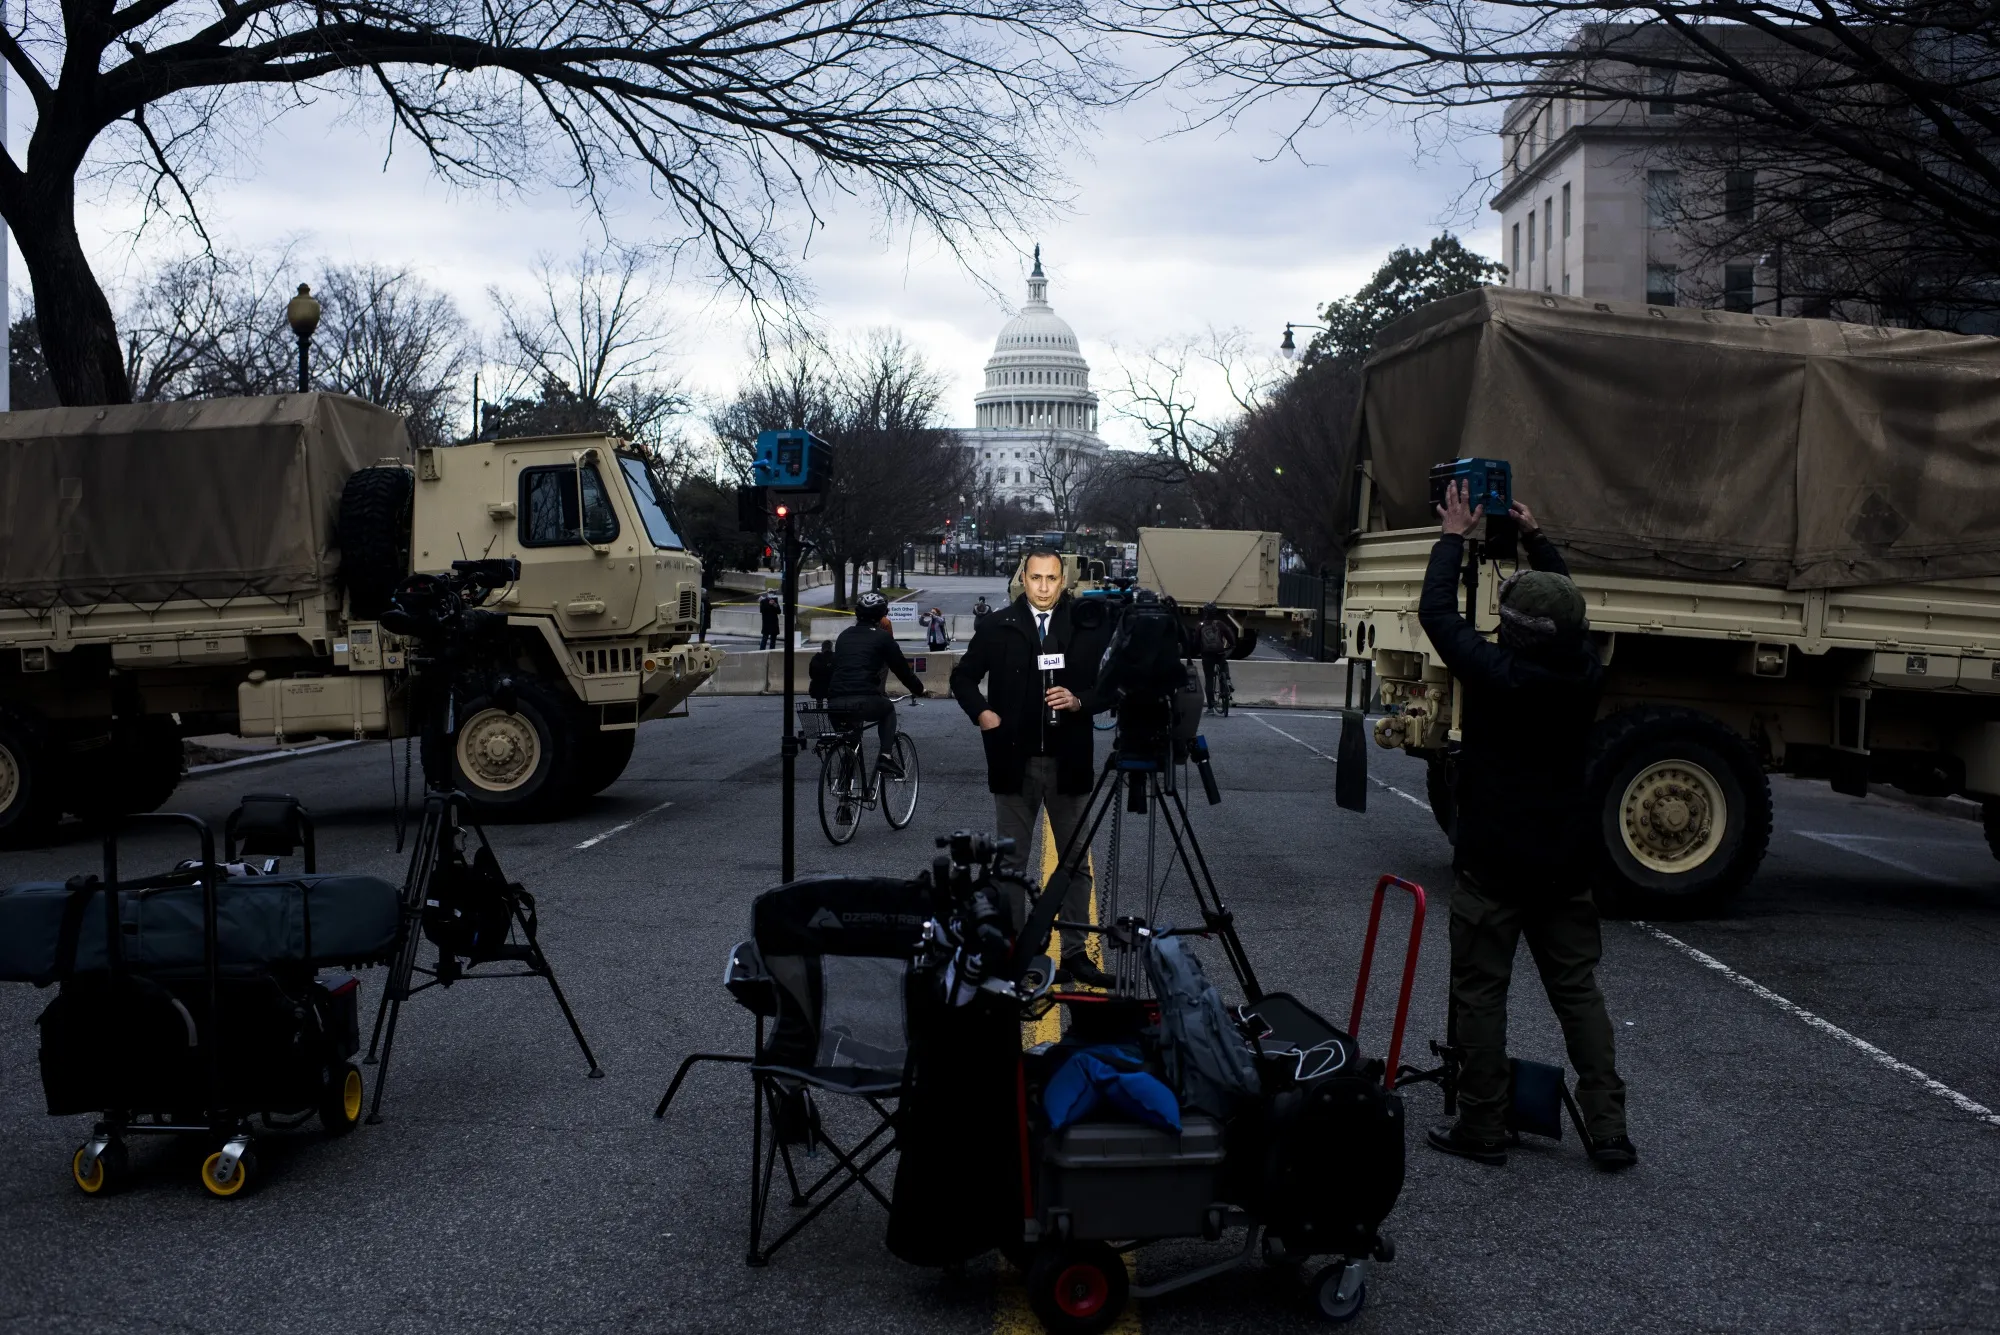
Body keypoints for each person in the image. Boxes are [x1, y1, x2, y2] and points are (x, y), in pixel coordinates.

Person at [1418, 480, 1636, 1171]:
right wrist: (1538, 537)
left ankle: (1482, 1124)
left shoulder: (1495, 674)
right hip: (1564, 861)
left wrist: (1453, 533)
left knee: (1482, 992)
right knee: (1578, 992)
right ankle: (1608, 1128)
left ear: (1512, 628)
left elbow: (1436, 612)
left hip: (1493, 859)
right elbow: (1567, 610)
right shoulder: (1584, 671)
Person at [950, 548, 1114, 987]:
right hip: (1013, 761)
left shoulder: (1084, 625)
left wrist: (1080, 702)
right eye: (1036, 577)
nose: (1043, 587)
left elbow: (1110, 687)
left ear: (1064, 581)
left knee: (1076, 863)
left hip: (1069, 761)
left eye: (1052, 579)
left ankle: (1077, 953)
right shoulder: (998, 625)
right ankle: (1016, 952)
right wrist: (983, 714)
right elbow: (962, 678)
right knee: (1012, 864)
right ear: (1023, 577)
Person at [827, 591, 926, 776]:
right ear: (882, 615)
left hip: (835, 702)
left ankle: (844, 787)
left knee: (851, 739)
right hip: (864, 700)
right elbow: (902, 669)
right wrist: (919, 689)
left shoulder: (843, 636)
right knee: (888, 710)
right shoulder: (882, 637)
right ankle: (886, 757)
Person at [1196, 603, 1238, 711]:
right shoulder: (1220, 624)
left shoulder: (1200, 626)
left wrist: (1199, 652)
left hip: (1206, 655)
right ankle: (1227, 681)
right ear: (1216, 613)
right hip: (1219, 652)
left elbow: (1195, 643)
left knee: (1209, 679)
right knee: (1223, 663)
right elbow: (1230, 637)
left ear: (1204, 613)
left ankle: (1210, 706)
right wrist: (1232, 645)